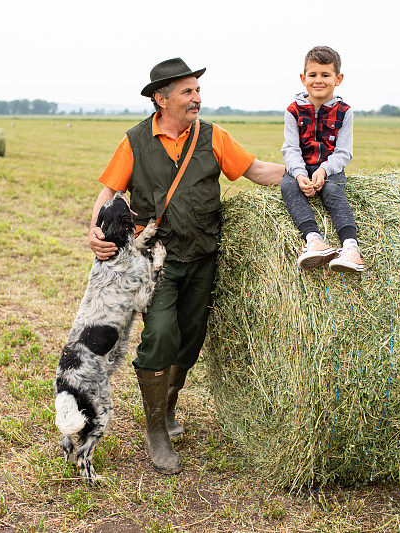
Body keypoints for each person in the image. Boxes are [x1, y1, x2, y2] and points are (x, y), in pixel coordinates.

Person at [88, 58, 284, 475]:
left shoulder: (213, 136)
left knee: (190, 338)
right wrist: (94, 233)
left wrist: (307, 177)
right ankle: (155, 430)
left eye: (197, 90)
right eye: (187, 92)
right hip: (156, 262)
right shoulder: (135, 142)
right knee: (161, 334)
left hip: (203, 255)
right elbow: (109, 192)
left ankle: (169, 404)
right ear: (162, 99)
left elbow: (255, 171)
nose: (197, 98)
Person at [280, 46, 363, 272]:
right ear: (303, 78)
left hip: (330, 168)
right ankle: (314, 240)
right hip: (301, 166)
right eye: (313, 75)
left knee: (333, 192)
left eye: (326, 75)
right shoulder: (293, 110)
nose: (319, 80)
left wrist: (324, 171)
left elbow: (344, 152)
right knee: (288, 187)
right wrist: (298, 174)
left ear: (338, 79)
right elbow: (290, 148)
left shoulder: (344, 111)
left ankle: (351, 248)